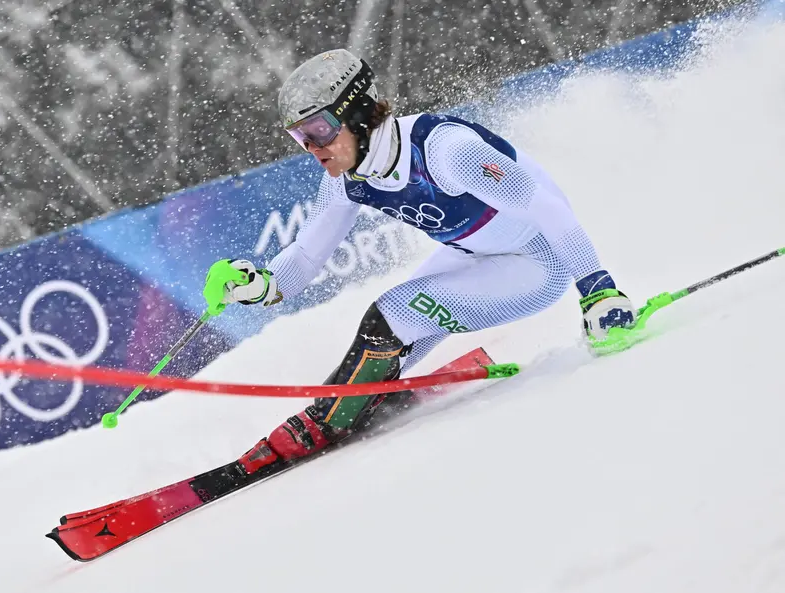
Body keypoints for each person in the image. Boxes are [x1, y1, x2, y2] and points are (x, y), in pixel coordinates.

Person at [202, 48, 636, 474]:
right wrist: (258, 286)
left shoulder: (444, 150)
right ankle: (352, 403)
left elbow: (548, 209)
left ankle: (328, 418)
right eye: (301, 138)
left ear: (359, 114)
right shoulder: (346, 179)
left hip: (538, 264)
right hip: (475, 255)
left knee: (390, 317)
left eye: (319, 130)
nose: (313, 148)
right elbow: (305, 255)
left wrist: (598, 291)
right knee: (387, 345)